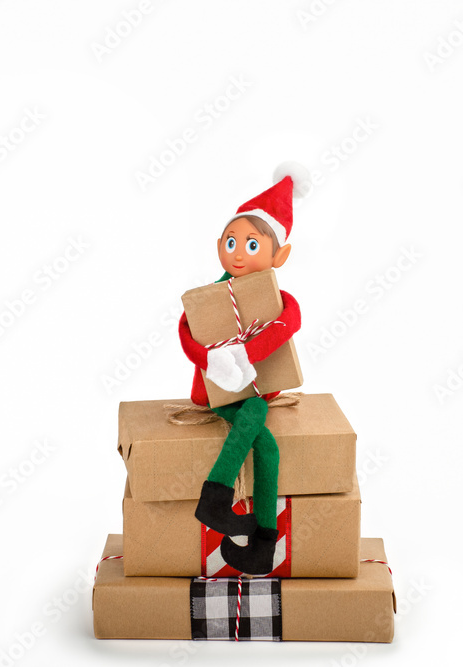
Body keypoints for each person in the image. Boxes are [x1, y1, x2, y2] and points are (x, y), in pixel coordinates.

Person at [177, 165, 307, 574]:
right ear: (218, 244)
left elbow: (291, 321)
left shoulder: (277, 299)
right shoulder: (209, 297)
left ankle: (262, 546)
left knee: (267, 447)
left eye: (251, 245)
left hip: (257, 386)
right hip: (218, 390)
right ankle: (213, 499)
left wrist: (249, 353)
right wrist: (213, 358)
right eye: (231, 242)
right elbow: (186, 331)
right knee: (253, 412)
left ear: (279, 255)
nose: (237, 252)